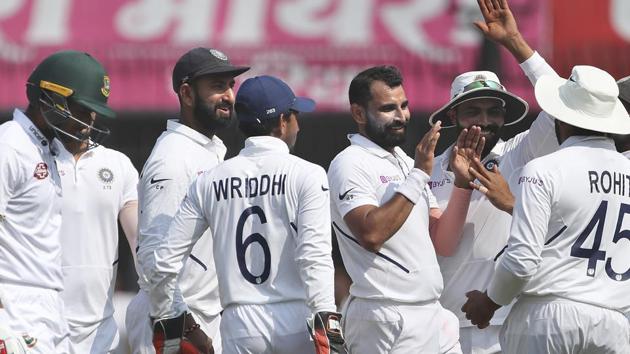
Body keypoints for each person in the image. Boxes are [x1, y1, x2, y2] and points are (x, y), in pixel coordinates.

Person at [145, 75, 344, 354]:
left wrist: (178, 321)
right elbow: (314, 256)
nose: (298, 125)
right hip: (296, 322)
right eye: (296, 115)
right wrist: (328, 324)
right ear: (282, 121)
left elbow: (162, 263)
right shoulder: (308, 174)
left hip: (239, 325)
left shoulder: (209, 181)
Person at [461, 62, 630, 353]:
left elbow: (522, 261)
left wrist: (488, 303)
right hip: (614, 323)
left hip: (548, 318)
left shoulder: (543, 170)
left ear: (560, 118)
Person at [427, 0, 560, 352]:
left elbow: (561, 102)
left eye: (493, 111)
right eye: (473, 110)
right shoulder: (429, 170)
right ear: (454, 116)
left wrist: (515, 42)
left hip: (508, 324)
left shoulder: (521, 152)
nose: (485, 121)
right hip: (441, 328)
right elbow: (442, 246)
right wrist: (459, 180)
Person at [327, 65, 486, 353]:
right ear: (359, 114)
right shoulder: (349, 163)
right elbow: (371, 234)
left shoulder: (402, 159)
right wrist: (419, 175)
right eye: (388, 108)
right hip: (386, 318)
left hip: (433, 314)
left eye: (404, 105)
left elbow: (443, 242)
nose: (401, 116)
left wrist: (462, 184)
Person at [126, 47, 249, 354]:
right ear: (187, 93)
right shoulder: (172, 159)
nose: (229, 96)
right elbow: (153, 260)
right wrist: (186, 328)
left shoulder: (211, 149)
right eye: (217, 86)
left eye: (230, 86)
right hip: (173, 321)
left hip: (202, 317)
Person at [0, 50, 115, 353]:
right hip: (14, 306)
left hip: (50, 307)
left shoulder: (46, 150)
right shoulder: (9, 145)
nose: (88, 123)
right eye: (81, 110)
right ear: (51, 98)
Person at [55, 103, 139, 352]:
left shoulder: (118, 164)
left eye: (89, 109)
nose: (85, 117)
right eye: (76, 108)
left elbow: (142, 244)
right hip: (40, 327)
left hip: (101, 334)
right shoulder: (32, 159)